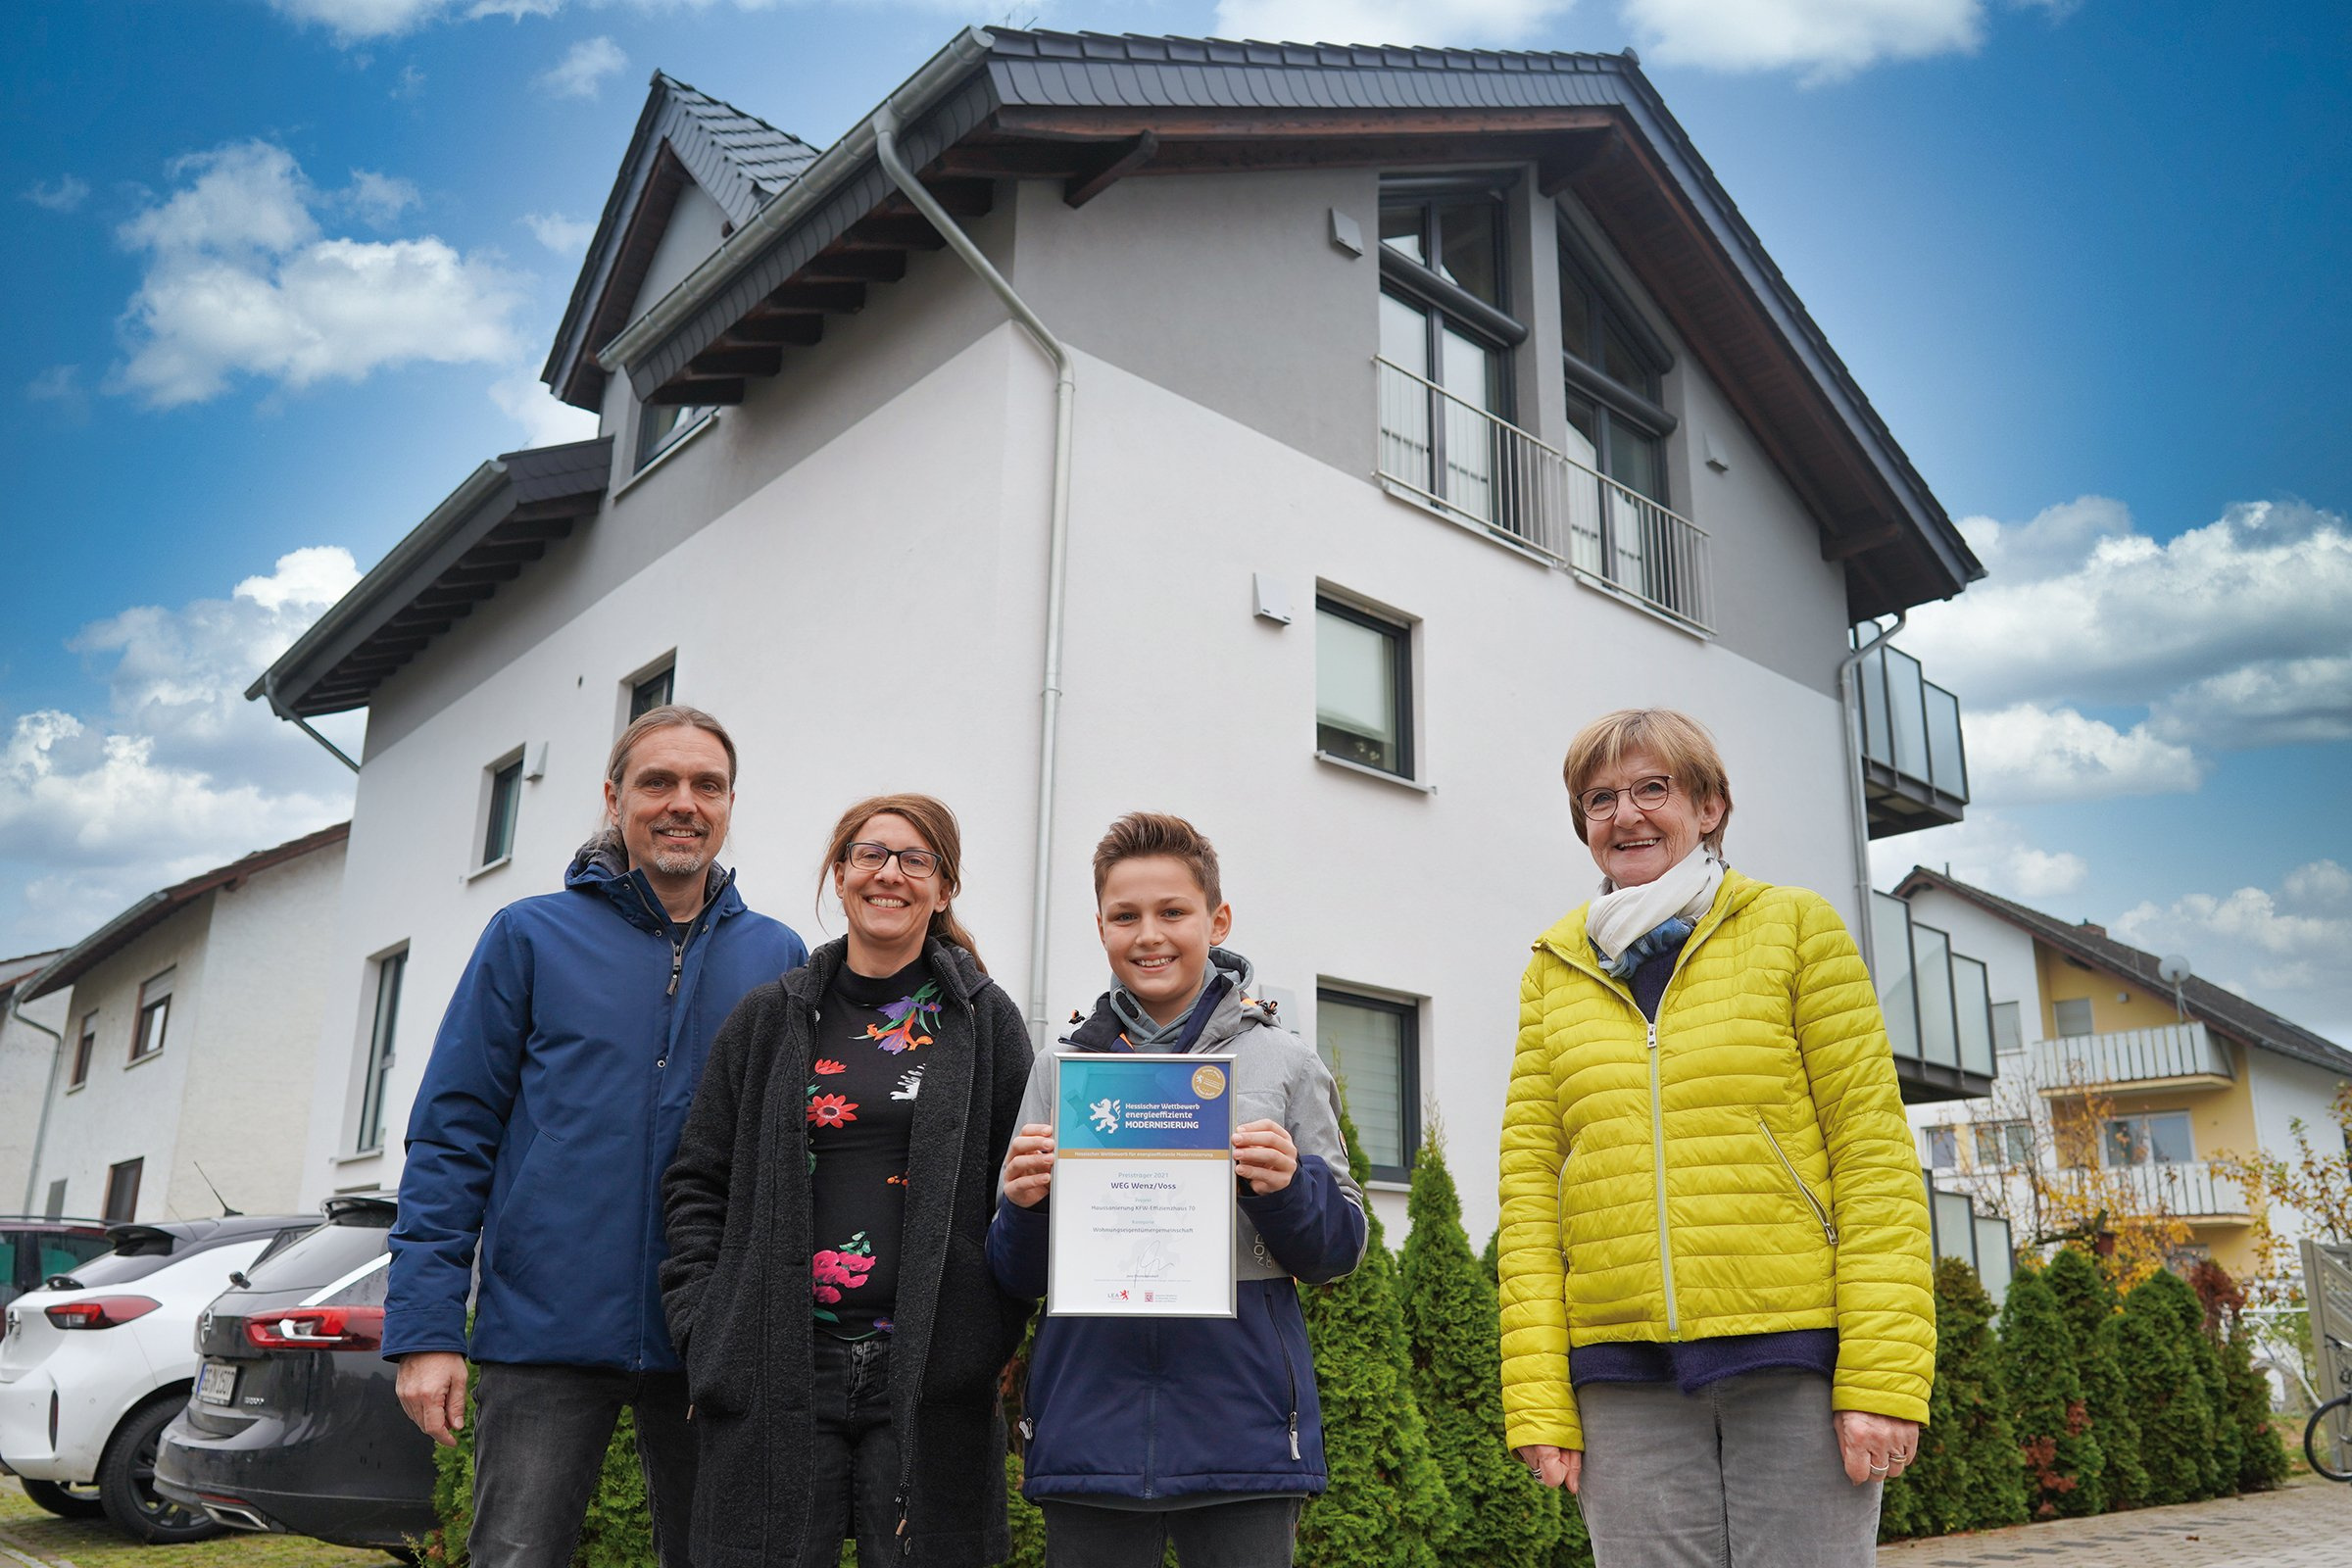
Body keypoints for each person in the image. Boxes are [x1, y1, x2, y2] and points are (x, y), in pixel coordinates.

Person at [1497, 708, 1936, 1568]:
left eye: (1652, 789)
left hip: (1795, 1355)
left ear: (1709, 807)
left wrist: (1882, 1379)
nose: (1626, 815)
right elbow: (1531, 1193)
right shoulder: (1555, 969)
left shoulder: (1795, 929)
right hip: (1623, 1375)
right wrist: (1539, 1398)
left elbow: (1874, 1160)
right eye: (1599, 800)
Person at [384, 706, 807, 1568]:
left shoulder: (779, 956)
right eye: (658, 782)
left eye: (706, 785)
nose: (682, 803)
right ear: (615, 799)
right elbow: (452, 1136)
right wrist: (428, 1330)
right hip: (542, 1332)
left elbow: (795, 1154)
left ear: (729, 806)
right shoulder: (529, 936)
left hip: (708, 1338)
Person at [662, 794, 1035, 1568]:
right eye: (869, 854)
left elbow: (1023, 1194)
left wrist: (986, 1333)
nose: (889, 874)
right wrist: (708, 1331)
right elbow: (699, 1179)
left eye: (915, 859)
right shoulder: (770, 1019)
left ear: (945, 886)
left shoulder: (987, 1024)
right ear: (839, 875)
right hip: (775, 1368)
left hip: (933, 1379)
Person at [991, 810, 1367, 1568]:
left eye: (1173, 912)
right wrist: (1022, 1210)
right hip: (1090, 1432)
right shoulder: (1059, 1071)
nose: (1149, 934)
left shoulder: (1285, 1063)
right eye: (1126, 916)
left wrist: (1286, 1186)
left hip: (1243, 1432)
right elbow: (1015, 1276)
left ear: (1216, 919)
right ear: (1100, 927)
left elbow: (1339, 1251)